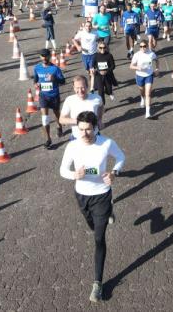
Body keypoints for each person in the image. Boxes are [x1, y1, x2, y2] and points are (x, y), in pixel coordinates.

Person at [60, 111, 125, 303]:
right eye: (81, 129)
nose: (85, 133)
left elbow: (121, 157)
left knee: (98, 238)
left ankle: (98, 283)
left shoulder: (106, 143)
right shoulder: (72, 146)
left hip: (102, 195)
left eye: (88, 129)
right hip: (82, 196)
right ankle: (106, 215)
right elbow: (63, 169)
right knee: (92, 226)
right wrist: (74, 175)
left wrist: (114, 172)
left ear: (95, 127)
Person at [33, 49, 66, 149]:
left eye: (46, 56)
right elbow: (35, 79)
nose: (44, 58)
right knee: (45, 118)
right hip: (43, 96)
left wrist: (54, 79)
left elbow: (63, 81)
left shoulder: (55, 69)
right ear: (40, 57)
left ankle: (59, 127)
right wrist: (35, 84)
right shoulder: (37, 68)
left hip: (54, 96)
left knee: (57, 115)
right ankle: (48, 139)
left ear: (49, 57)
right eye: (42, 56)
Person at [59, 75, 104, 140]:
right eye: (77, 88)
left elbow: (101, 106)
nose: (80, 91)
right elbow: (61, 120)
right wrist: (79, 121)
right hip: (77, 138)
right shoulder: (69, 100)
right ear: (74, 88)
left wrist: (99, 119)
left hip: (95, 136)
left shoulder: (97, 98)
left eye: (82, 87)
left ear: (87, 86)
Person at [130, 40, 160, 119]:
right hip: (139, 76)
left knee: (148, 94)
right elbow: (131, 66)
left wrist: (157, 69)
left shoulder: (151, 54)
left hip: (149, 75)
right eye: (141, 46)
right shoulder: (137, 55)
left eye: (144, 46)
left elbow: (157, 60)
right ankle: (142, 98)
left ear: (147, 46)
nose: (142, 48)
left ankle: (147, 113)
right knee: (142, 91)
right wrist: (137, 67)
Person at [73, 21, 99, 93]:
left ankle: (92, 89)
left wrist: (99, 47)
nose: (88, 27)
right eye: (87, 26)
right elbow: (74, 39)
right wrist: (78, 46)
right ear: (84, 27)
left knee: (92, 71)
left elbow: (99, 40)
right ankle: (91, 76)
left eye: (89, 26)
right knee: (88, 70)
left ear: (91, 27)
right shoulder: (81, 33)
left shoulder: (95, 33)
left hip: (93, 54)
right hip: (84, 55)